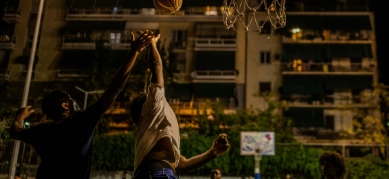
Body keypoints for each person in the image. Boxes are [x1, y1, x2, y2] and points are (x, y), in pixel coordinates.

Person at [10, 30, 154, 179]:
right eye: (70, 98)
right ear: (65, 105)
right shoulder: (80, 123)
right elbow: (115, 88)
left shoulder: (41, 132)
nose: (75, 101)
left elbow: (15, 131)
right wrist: (134, 52)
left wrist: (19, 117)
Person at [131, 33, 230, 179]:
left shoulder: (157, 133)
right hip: (158, 174)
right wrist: (152, 43)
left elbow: (183, 164)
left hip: (156, 173)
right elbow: (156, 67)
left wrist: (213, 152)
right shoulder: (152, 107)